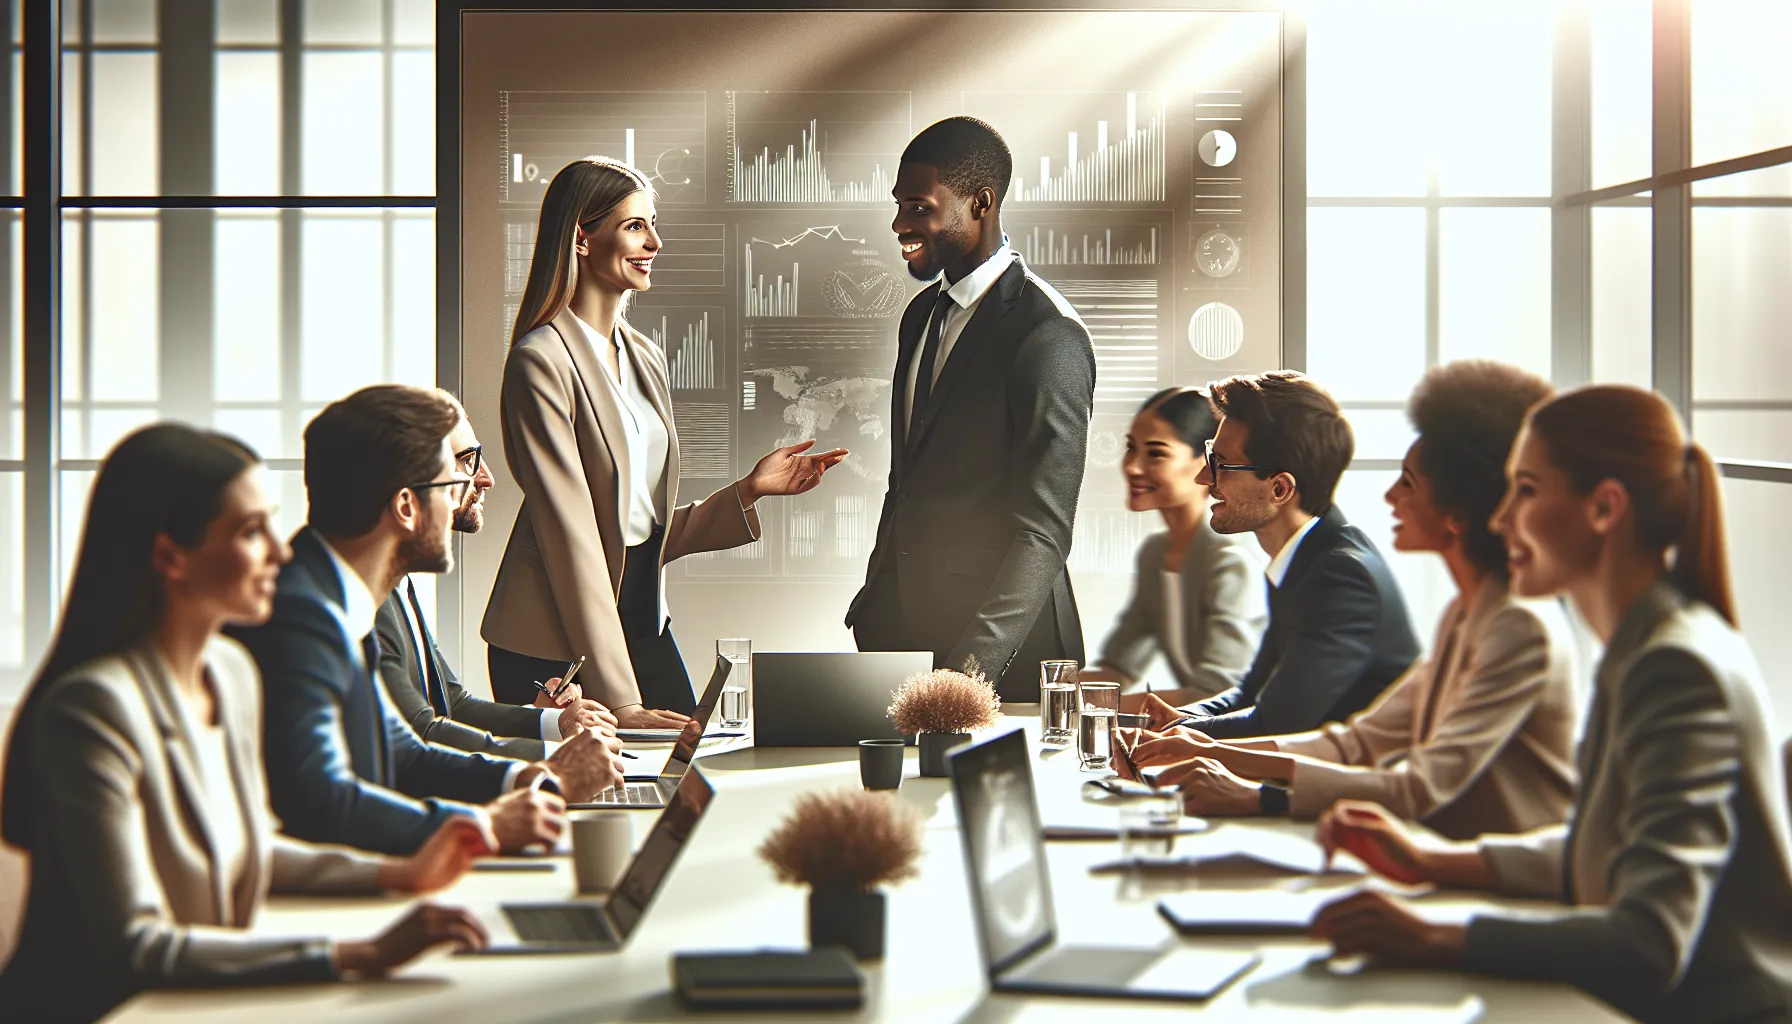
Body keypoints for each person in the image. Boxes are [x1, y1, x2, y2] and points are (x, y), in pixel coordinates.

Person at [1310, 385, 1792, 1024]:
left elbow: (1650, 941)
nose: (1501, 517)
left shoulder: (1673, 665)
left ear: (1604, 507)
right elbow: (1604, 848)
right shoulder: (1644, 645)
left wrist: (1435, 937)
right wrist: (1430, 860)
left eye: (1527, 490)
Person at [0, 425, 494, 1023]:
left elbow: (250, 851)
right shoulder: (91, 711)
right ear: (169, 556)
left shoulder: (231, 673)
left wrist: (399, 872)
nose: (282, 553)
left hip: (206, 1003)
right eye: (250, 532)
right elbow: (137, 944)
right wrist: (357, 953)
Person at [1132, 362, 1580, 839]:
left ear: (1456, 513)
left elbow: (1417, 788)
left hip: (1498, 878)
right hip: (1436, 849)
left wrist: (1242, 784)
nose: (1389, 495)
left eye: (1408, 482)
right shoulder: (1465, 614)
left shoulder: (1517, 625)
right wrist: (1193, 743)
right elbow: (1355, 743)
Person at [486, 156, 847, 722]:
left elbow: (637, 530)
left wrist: (748, 491)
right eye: (634, 226)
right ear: (582, 239)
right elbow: (573, 536)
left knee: (683, 770)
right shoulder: (540, 362)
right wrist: (622, 700)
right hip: (552, 636)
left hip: (641, 615)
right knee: (597, 800)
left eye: (652, 224)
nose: (655, 241)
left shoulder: (646, 358)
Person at [230, 386, 624, 856]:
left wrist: (532, 776)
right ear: (405, 507)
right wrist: (493, 820)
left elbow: (402, 753)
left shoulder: (340, 599)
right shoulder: (308, 612)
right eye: (450, 481)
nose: (465, 492)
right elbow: (320, 801)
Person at [848, 116, 1097, 702]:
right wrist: (876, 601)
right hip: (903, 636)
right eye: (899, 206)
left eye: (919, 207)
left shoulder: (1048, 333)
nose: (900, 225)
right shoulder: (919, 316)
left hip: (1005, 657)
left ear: (980, 203)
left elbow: (1044, 531)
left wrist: (966, 673)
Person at [1127, 371, 1419, 738]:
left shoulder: (1340, 578)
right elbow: (1251, 693)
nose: (1204, 479)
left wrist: (1170, 735)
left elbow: (1275, 724)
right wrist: (1178, 719)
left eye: (1221, 465)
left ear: (1280, 489)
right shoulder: (1307, 558)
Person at [377, 394, 613, 760]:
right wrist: (555, 759)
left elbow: (452, 703)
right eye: (468, 459)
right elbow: (421, 732)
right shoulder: (368, 602)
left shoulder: (401, 584)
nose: (485, 477)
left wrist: (555, 723)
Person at [1078, 387, 1267, 704]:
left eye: (1155, 453)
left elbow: (1219, 692)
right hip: (1196, 731)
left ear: (1204, 462)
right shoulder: (1156, 555)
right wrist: (1045, 689)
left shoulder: (1231, 560)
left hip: (1247, 737)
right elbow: (1118, 667)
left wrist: (1099, 708)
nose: (1132, 467)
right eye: (1130, 449)